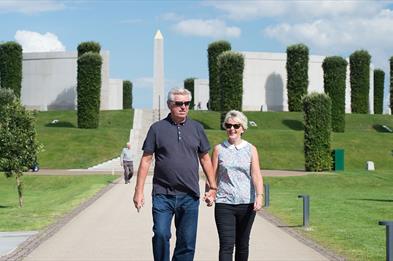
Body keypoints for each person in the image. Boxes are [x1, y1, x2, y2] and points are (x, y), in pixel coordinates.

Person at [133, 87, 217, 261]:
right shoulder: (157, 129)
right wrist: (138, 191)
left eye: (187, 103)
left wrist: (213, 187)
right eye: (179, 104)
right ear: (169, 105)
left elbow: (205, 159)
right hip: (163, 195)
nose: (184, 107)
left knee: (186, 243)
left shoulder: (197, 128)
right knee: (161, 234)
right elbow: (146, 160)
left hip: (190, 195)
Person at [210, 110, 264, 261]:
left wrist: (259, 196)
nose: (232, 129)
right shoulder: (218, 149)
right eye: (228, 125)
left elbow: (256, 174)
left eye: (236, 125)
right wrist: (210, 193)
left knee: (242, 244)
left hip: (246, 204)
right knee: (226, 245)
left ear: (243, 128)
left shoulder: (251, 149)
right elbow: (212, 176)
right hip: (224, 203)